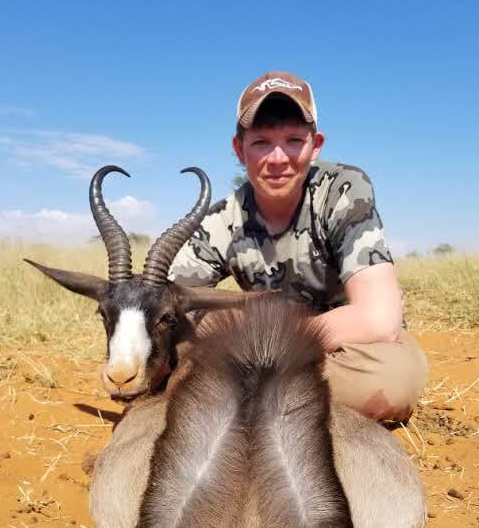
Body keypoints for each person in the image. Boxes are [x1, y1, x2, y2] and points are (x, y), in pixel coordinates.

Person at [169, 71, 427, 421]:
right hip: (264, 352)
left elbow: (379, 319)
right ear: (239, 150)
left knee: (391, 386)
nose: (278, 158)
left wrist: (259, 343)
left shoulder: (344, 190)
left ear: (315, 145)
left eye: (293, 140)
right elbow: (169, 307)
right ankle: (273, 399)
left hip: (344, 346)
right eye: (261, 142)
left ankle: (242, 398)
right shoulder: (222, 220)